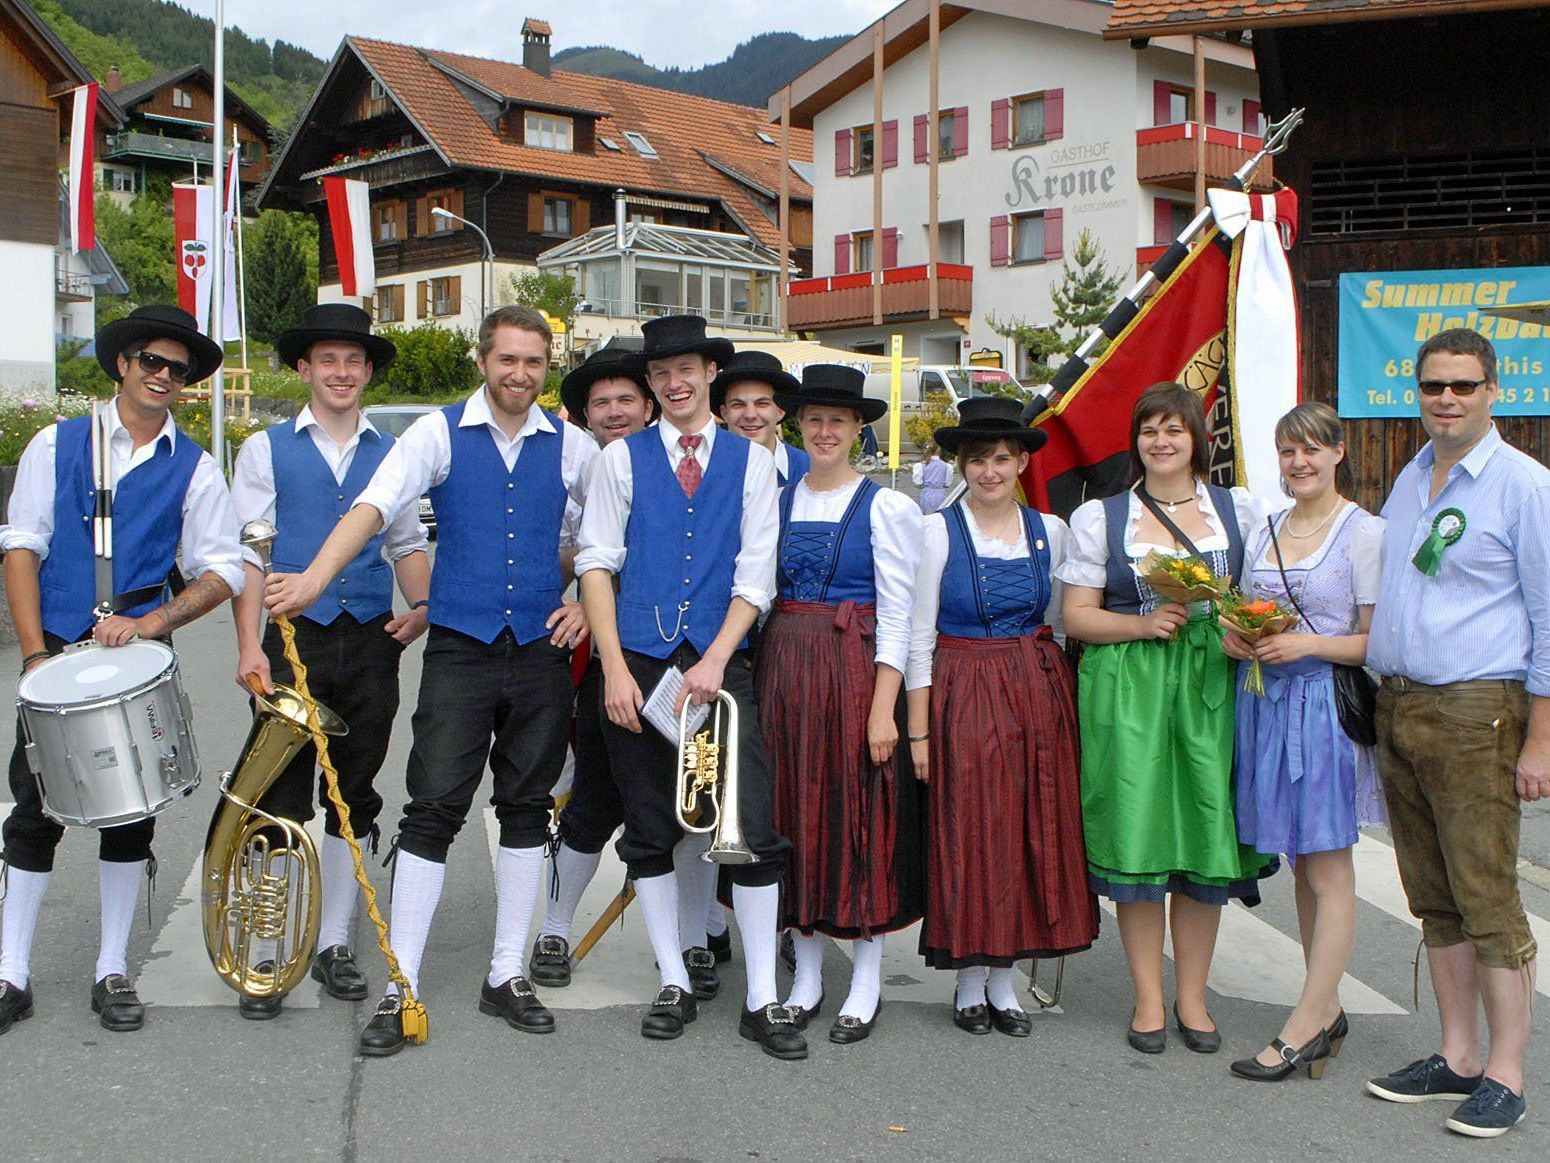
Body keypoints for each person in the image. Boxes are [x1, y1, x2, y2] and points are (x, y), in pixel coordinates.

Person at [264, 304, 594, 1056]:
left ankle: (507, 972)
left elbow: (604, 536)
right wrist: (316, 575)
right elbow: (378, 506)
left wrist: (577, 595)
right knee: (433, 805)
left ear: (548, 369)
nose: (520, 374)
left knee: (525, 806)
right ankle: (401, 982)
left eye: (534, 363)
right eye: (507, 359)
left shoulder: (574, 446)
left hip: (539, 651)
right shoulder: (437, 432)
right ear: (483, 359)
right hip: (460, 646)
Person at [0, 305, 244, 1036]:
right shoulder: (57, 442)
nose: (164, 376)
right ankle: (11, 970)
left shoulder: (196, 466)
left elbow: (223, 568)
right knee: (34, 810)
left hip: (139, 659)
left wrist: (153, 622)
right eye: (151, 361)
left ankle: (112, 967)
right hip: (58, 656)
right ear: (122, 365)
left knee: (130, 814)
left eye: (178, 368)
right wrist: (35, 655)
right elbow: (21, 548)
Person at [576, 314, 804, 1059]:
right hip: (638, 659)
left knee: (754, 828)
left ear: (711, 373)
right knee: (649, 824)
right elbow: (597, 565)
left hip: (720, 662)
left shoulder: (753, 462)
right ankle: (673, 976)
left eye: (687, 369)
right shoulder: (619, 460)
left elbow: (756, 574)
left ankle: (763, 996)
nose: (674, 383)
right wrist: (613, 668)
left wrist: (714, 660)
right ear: (650, 383)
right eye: (660, 372)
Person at [1364, 328, 1549, 1138]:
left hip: (1479, 711)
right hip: (1401, 708)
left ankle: (1506, 1073)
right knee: (1433, 897)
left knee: (1487, 898)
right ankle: (1458, 1053)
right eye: (1435, 384)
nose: (1447, 398)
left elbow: (1549, 618)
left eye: (1464, 385)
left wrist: (1541, 742)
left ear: (1492, 390)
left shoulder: (1523, 486)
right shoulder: (1410, 476)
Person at [1059, 381, 1275, 1056]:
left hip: (1213, 679)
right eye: (1149, 429)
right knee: (1140, 835)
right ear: (1136, 440)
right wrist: (1141, 621)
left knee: (1206, 838)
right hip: (1132, 683)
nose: (1161, 440)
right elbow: (1076, 616)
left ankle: (1193, 996)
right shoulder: (1103, 515)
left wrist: (1244, 630)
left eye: (1173, 429)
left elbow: (1262, 595)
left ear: (1195, 439)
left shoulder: (1239, 508)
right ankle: (1149, 996)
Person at [228, 304, 431, 1020]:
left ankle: (336, 942)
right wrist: (248, 644)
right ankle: (270, 946)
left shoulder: (393, 450)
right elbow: (249, 556)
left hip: (371, 637)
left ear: (368, 371)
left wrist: (422, 609)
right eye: (328, 361)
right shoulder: (264, 448)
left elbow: (405, 542)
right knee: (280, 793)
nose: (342, 373)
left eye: (354, 361)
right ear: (304, 369)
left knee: (357, 790)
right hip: (292, 638)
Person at [535, 347, 726, 999]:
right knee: (596, 796)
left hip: (692, 663)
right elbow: (586, 558)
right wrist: (588, 608)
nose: (614, 412)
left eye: (625, 400)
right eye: (600, 403)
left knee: (698, 799)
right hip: (613, 665)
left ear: (649, 405)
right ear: (586, 416)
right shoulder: (590, 470)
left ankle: (696, 937)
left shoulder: (692, 467)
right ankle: (555, 928)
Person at [907, 396, 1097, 1037]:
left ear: (1020, 463)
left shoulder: (1052, 530)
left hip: (1033, 689)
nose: (989, 471)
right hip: (962, 685)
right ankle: (968, 978)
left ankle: (1004, 979)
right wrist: (920, 727)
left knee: (1024, 827)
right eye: (978, 459)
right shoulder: (937, 530)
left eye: (1001, 459)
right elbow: (917, 634)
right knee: (971, 828)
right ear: (962, 465)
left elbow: (1058, 622)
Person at [756, 365, 923, 1044]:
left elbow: (900, 614)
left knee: (859, 816)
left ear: (860, 429)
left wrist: (884, 708)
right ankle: (808, 973)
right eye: (815, 419)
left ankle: (867, 974)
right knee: (795, 811)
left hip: (851, 671)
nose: (825, 431)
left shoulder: (886, 506)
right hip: (785, 672)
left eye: (839, 420)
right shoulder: (778, 497)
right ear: (799, 425)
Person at [1223, 402, 1384, 1081]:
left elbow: (1379, 640)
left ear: (1339, 452)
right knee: (1298, 861)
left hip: (1322, 709)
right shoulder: (1265, 528)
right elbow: (1241, 611)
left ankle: (1308, 1020)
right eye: (1289, 450)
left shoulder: (1364, 533)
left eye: (1313, 449)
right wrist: (1239, 637)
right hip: (1266, 702)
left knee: (1328, 863)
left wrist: (1308, 642)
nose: (1300, 462)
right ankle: (1328, 1001)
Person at [711, 350, 810, 486]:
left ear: (780, 410)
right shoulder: (704, 470)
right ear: (724, 412)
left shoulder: (810, 471)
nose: (750, 415)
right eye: (738, 405)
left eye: (762, 404)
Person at [911, 441, 952, 515]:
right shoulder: (946, 466)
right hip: (940, 495)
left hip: (926, 494)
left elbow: (917, 482)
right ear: (938, 450)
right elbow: (947, 483)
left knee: (926, 518)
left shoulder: (921, 465)